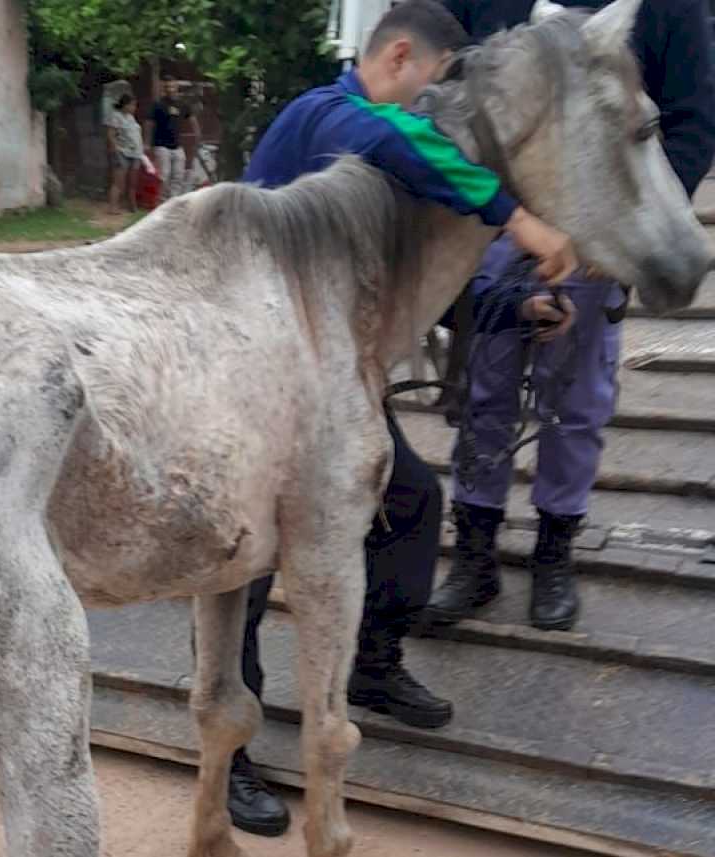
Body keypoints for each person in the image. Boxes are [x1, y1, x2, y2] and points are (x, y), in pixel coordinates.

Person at [226, 0, 582, 838]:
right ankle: (234, 751)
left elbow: (424, 285)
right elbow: (404, 141)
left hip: (333, 394)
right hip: (248, 386)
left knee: (413, 502)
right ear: (396, 57)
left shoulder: (378, 158)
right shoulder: (323, 117)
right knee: (239, 573)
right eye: (431, 84)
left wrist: (516, 308)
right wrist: (517, 215)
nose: (432, 110)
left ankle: (376, 665)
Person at [426, 0, 715, 632]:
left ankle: (554, 553)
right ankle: (474, 555)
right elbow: (442, 56)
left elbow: (693, 122)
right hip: (497, 214)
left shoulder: (673, 10)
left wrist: (628, 232)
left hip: (600, 223)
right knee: (484, 388)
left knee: (577, 400)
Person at [144, 74, 201, 201]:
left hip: (177, 146)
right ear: (164, 88)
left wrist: (197, 134)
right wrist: (147, 143)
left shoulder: (183, 104)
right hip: (161, 145)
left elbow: (192, 119)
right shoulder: (158, 104)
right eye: (167, 86)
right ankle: (161, 201)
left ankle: (173, 202)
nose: (170, 89)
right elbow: (148, 123)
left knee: (178, 176)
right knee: (164, 175)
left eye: (173, 86)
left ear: (177, 87)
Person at [105, 94, 144, 214]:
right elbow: (110, 134)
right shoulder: (116, 116)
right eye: (132, 105)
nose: (134, 107)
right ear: (125, 105)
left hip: (135, 153)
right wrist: (115, 149)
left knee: (133, 182)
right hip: (123, 152)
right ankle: (113, 206)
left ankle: (132, 205)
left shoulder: (131, 118)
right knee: (119, 181)